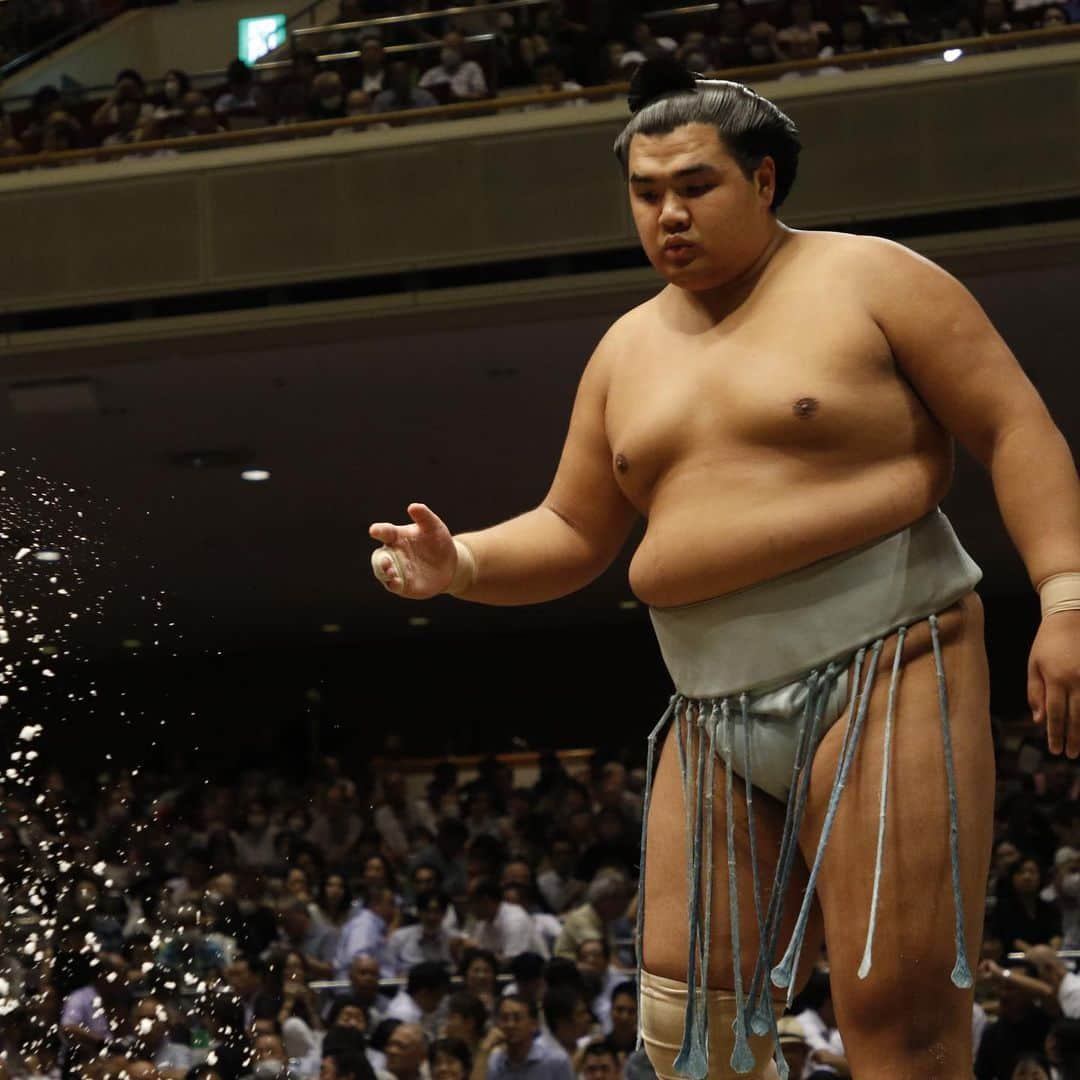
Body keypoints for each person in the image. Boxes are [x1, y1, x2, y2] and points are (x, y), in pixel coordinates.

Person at [370, 55, 1080, 1080]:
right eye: (647, 193)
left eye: (695, 186)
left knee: (900, 1012)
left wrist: (1064, 597)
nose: (670, 215)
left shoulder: (873, 279)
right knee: (684, 1025)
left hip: (885, 656)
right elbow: (574, 528)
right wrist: (463, 563)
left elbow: (1017, 431)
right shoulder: (624, 350)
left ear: (763, 180)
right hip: (707, 698)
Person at [482, 995, 574, 1080]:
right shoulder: (493, 1062)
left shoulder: (556, 1061)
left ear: (534, 1024)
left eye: (517, 1018)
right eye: (504, 1018)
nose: (510, 1025)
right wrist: (483, 1050)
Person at [418, 32, 487, 100]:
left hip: (464, 107)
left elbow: (481, 95)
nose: (448, 52)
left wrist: (457, 97)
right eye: (446, 48)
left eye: (453, 48)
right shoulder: (432, 73)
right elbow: (419, 95)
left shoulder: (472, 67)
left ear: (462, 50)